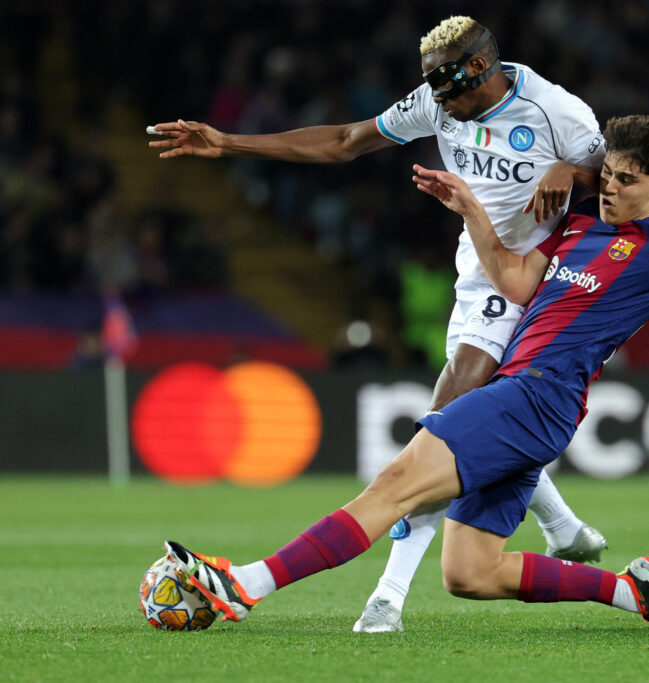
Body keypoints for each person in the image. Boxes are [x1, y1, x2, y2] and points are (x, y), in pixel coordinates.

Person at [164, 114, 649, 633]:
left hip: (536, 394)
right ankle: (629, 590)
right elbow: (516, 283)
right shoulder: (581, 226)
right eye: (606, 172)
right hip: (535, 406)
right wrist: (474, 212)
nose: (609, 187)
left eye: (627, 179)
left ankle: (242, 586)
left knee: (394, 484)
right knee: (471, 574)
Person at [148, 15, 608, 633]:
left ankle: (387, 597)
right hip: (480, 279)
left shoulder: (558, 113)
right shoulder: (439, 103)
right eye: (426, 83)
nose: (431, 95)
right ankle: (562, 527)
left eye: (440, 80)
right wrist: (228, 143)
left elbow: (627, 187)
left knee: (448, 423)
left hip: (542, 283)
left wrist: (570, 173)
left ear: (477, 67)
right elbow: (344, 141)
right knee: (476, 425)